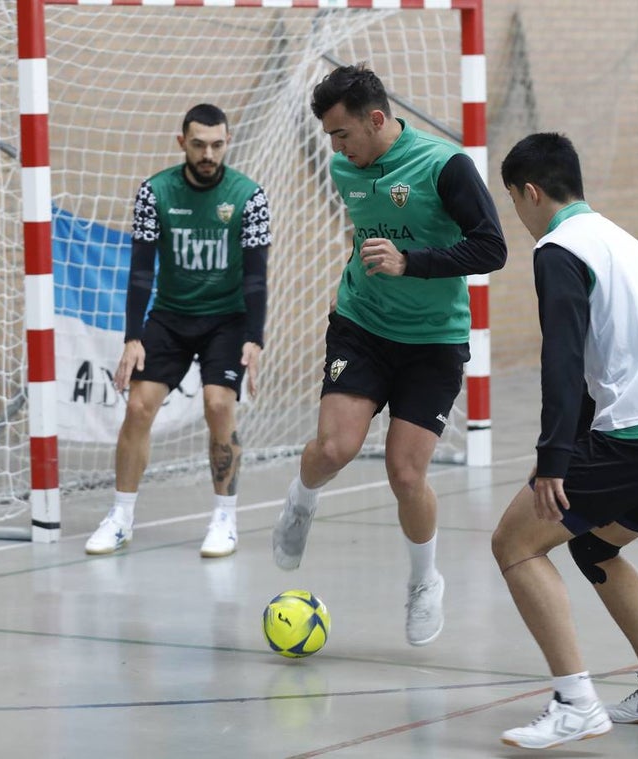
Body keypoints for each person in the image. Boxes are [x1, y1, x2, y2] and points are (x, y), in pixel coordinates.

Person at [271, 64, 507, 646]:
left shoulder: (444, 166)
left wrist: (410, 262)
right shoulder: (342, 168)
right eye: (329, 136)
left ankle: (425, 581)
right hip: (363, 325)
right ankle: (300, 502)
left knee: (406, 473)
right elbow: (367, 229)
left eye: (342, 133)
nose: (335, 147)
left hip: (433, 340)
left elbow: (492, 248)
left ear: (376, 119)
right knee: (334, 449)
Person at [493, 132, 638, 749]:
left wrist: (552, 459)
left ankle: (575, 704)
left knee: (515, 543)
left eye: (513, 201)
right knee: (593, 546)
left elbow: (562, 361)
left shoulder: (558, 249)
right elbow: (609, 358)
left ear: (530, 193)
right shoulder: (620, 239)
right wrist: (568, 447)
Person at [85, 103, 271, 559]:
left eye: (217, 145)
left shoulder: (249, 197)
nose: (208, 154)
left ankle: (224, 518)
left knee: (218, 404)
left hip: (226, 319)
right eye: (199, 144)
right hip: (170, 315)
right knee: (138, 407)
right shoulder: (155, 192)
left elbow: (256, 276)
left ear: (228, 142)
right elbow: (140, 271)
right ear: (182, 142)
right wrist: (133, 337)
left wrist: (254, 338)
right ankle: (121, 516)